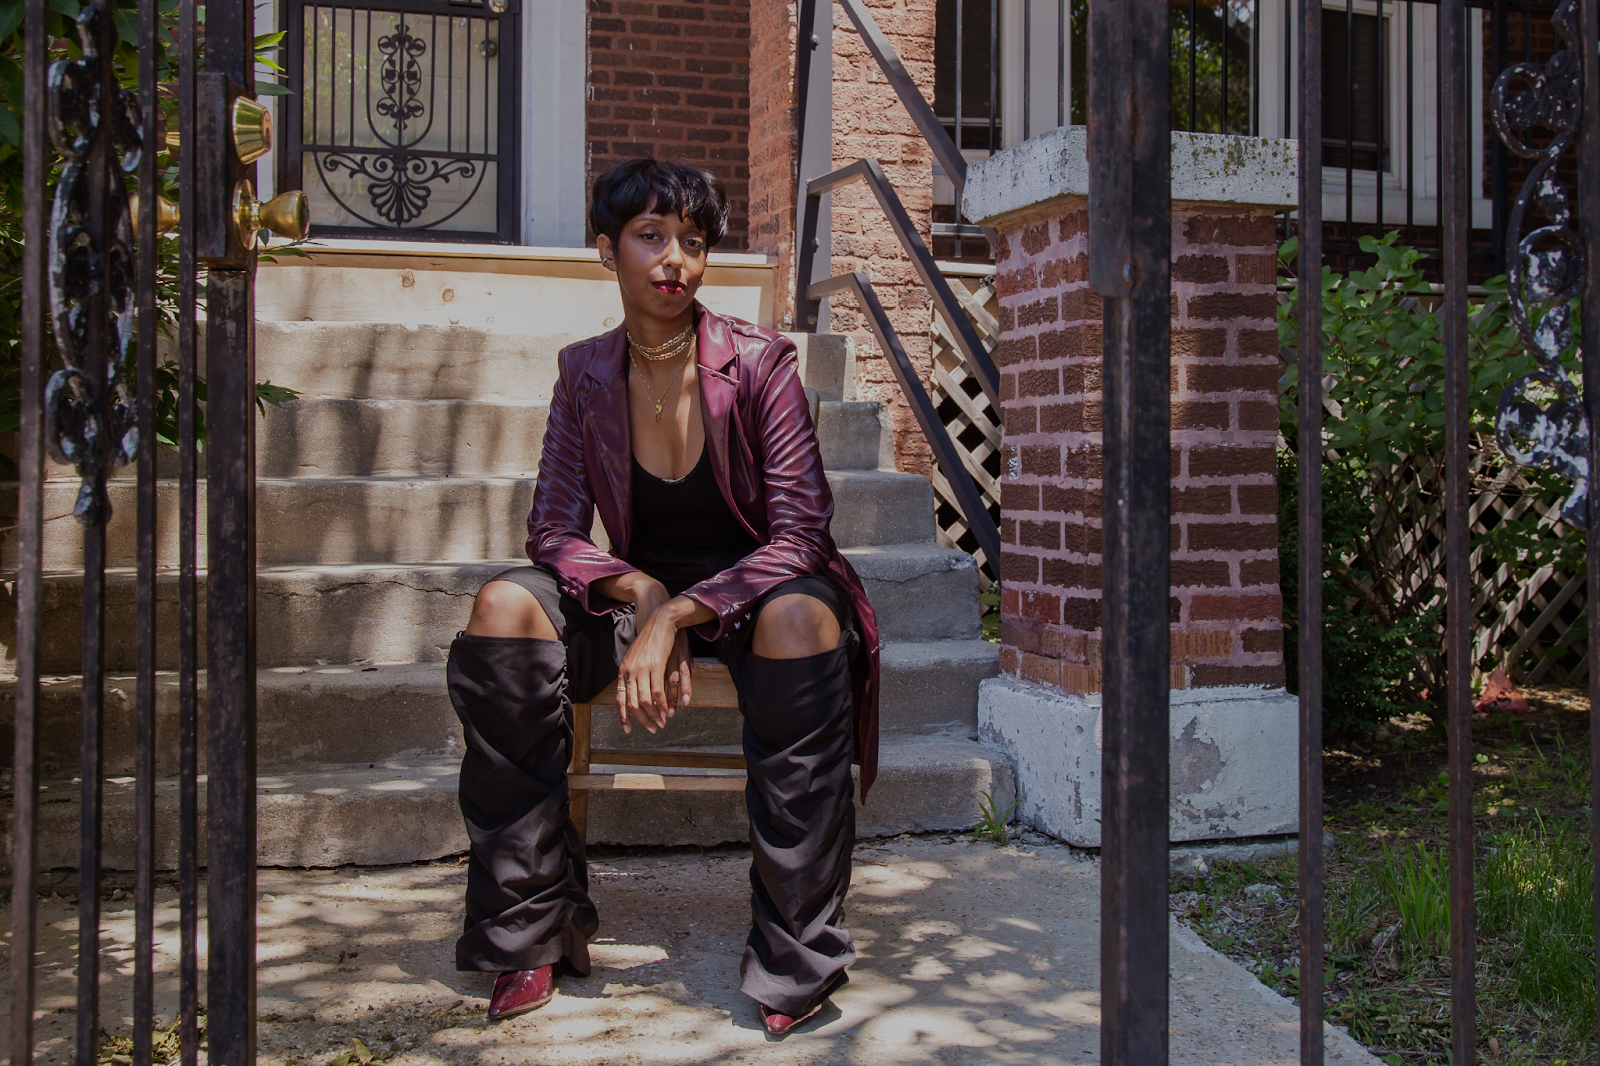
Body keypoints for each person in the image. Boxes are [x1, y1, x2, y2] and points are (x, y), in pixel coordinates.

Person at [445, 157, 881, 1037]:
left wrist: (682, 613)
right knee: (502, 608)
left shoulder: (760, 365)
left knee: (803, 613)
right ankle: (529, 932)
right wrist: (642, 591)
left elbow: (801, 533)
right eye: (651, 237)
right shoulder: (584, 374)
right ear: (608, 251)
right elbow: (554, 533)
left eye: (692, 241)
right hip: (636, 593)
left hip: (762, 591)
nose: (674, 258)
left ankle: (796, 951)